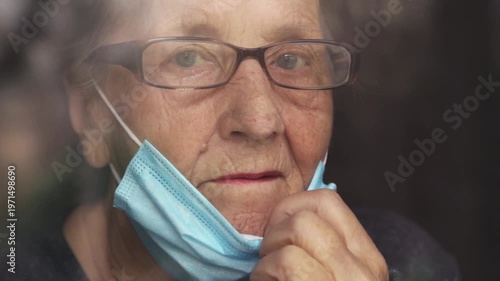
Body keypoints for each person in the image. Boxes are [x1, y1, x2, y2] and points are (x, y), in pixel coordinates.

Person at [5, 0, 460, 280]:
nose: (261, 121)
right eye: (188, 57)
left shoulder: (402, 261)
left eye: (294, 58)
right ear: (94, 112)